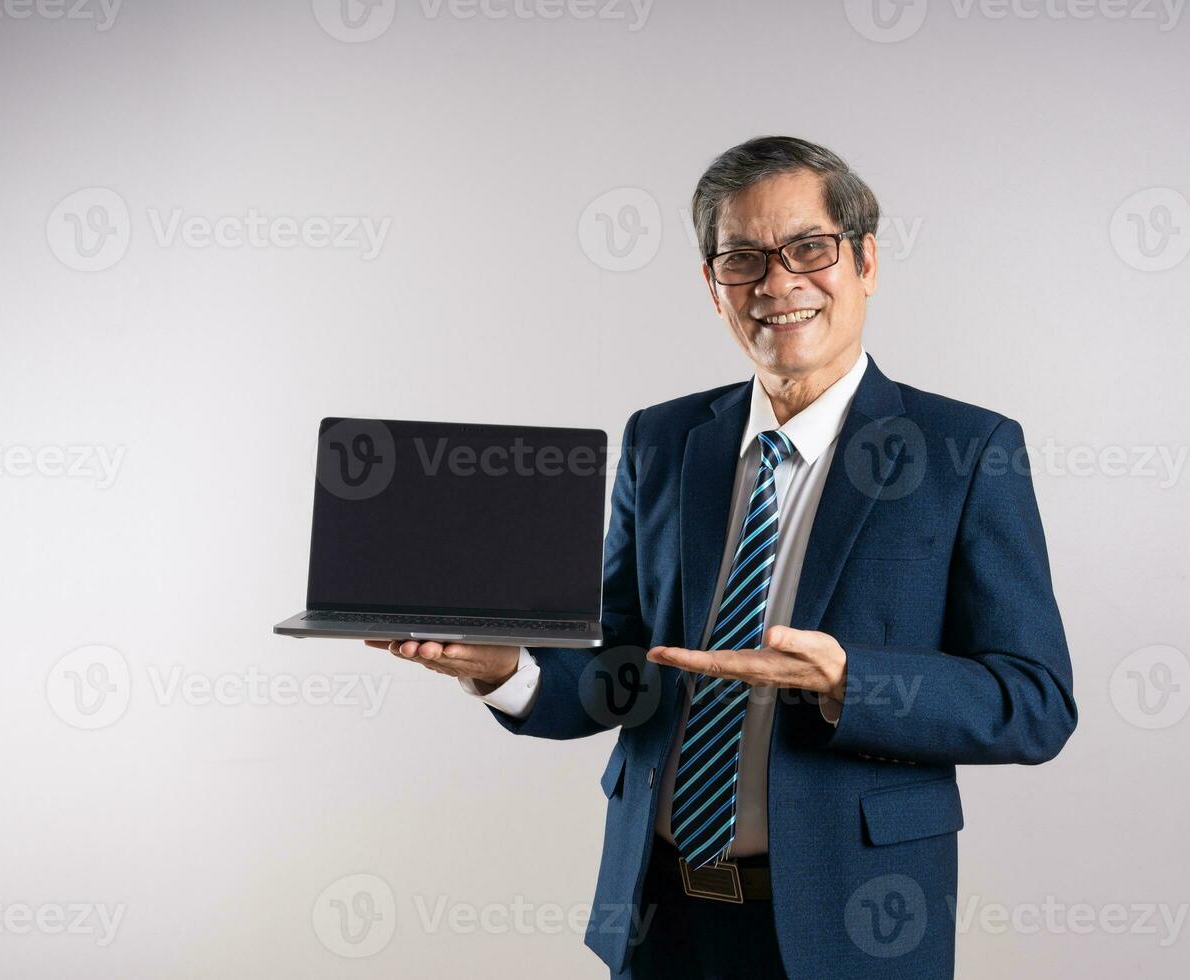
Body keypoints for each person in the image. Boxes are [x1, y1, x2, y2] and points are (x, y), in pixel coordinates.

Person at [365, 135, 1077, 979]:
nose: (778, 283)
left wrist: (852, 681)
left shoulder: (967, 450)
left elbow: (1035, 702)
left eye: (809, 248)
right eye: (743, 259)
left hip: (851, 923)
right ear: (714, 287)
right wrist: (507, 669)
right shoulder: (663, 440)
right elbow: (627, 661)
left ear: (866, 262)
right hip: (659, 915)